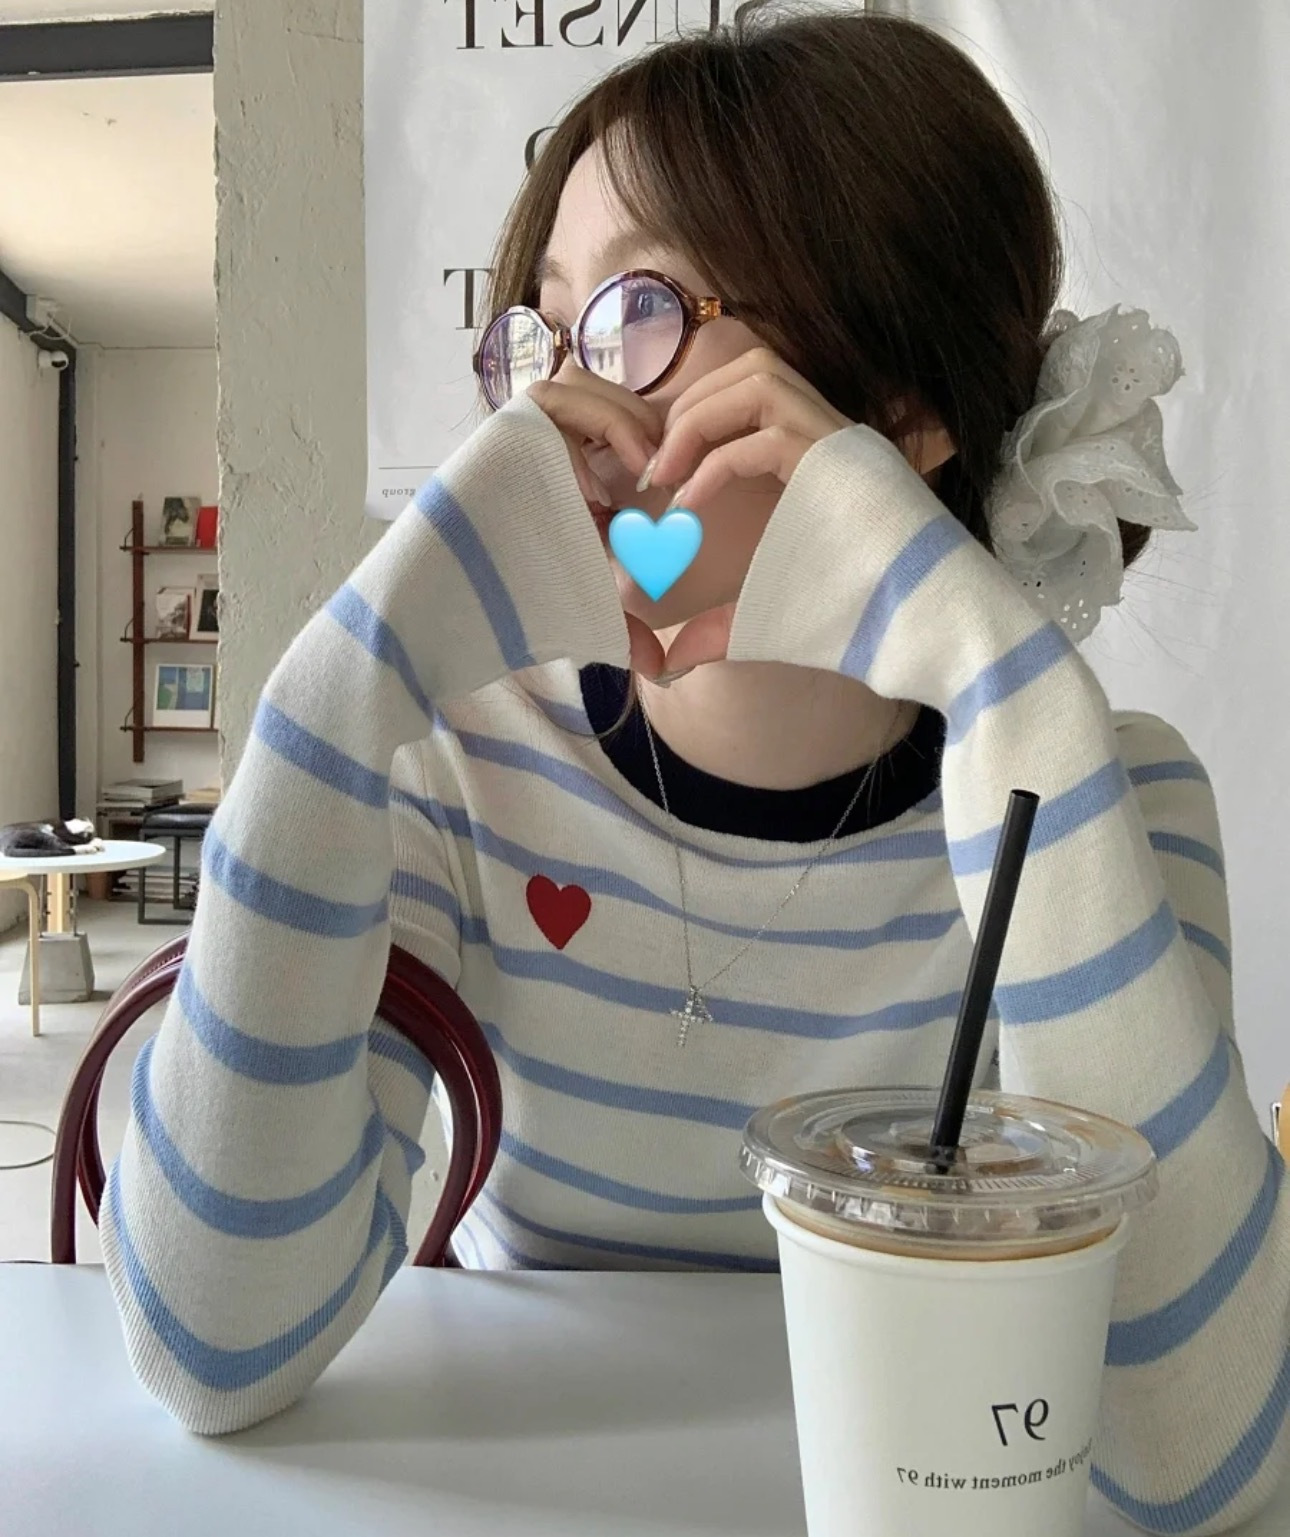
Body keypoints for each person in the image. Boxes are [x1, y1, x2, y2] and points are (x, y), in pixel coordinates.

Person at [100, 7, 1287, 1530]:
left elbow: (1194, 1458)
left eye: (637, 312)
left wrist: (1009, 687)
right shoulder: (457, 774)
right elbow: (212, 1351)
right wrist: (331, 702)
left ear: (899, 402)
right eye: (541, 334)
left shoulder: (1097, 800)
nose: (563, 416)